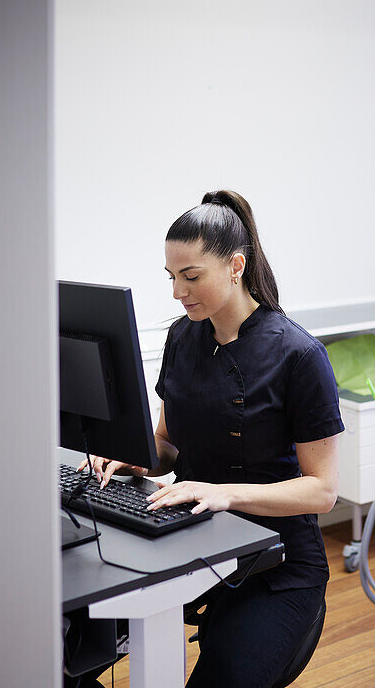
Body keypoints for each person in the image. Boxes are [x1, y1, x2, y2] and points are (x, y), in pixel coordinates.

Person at [80, 189, 342, 687]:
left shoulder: (299, 356)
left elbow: (322, 491)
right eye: (172, 277)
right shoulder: (183, 337)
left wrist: (221, 493)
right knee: (63, 654)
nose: (178, 291)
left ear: (236, 266)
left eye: (192, 276)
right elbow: (167, 445)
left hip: (278, 566)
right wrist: (134, 460)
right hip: (193, 543)